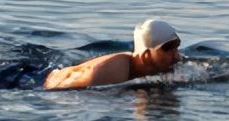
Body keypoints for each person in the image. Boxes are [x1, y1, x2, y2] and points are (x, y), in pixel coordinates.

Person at [41, 18, 182, 91]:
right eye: (168, 49)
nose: (177, 56)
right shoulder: (111, 71)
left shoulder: (168, 63)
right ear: (146, 56)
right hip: (42, 80)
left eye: (176, 48)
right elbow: (57, 89)